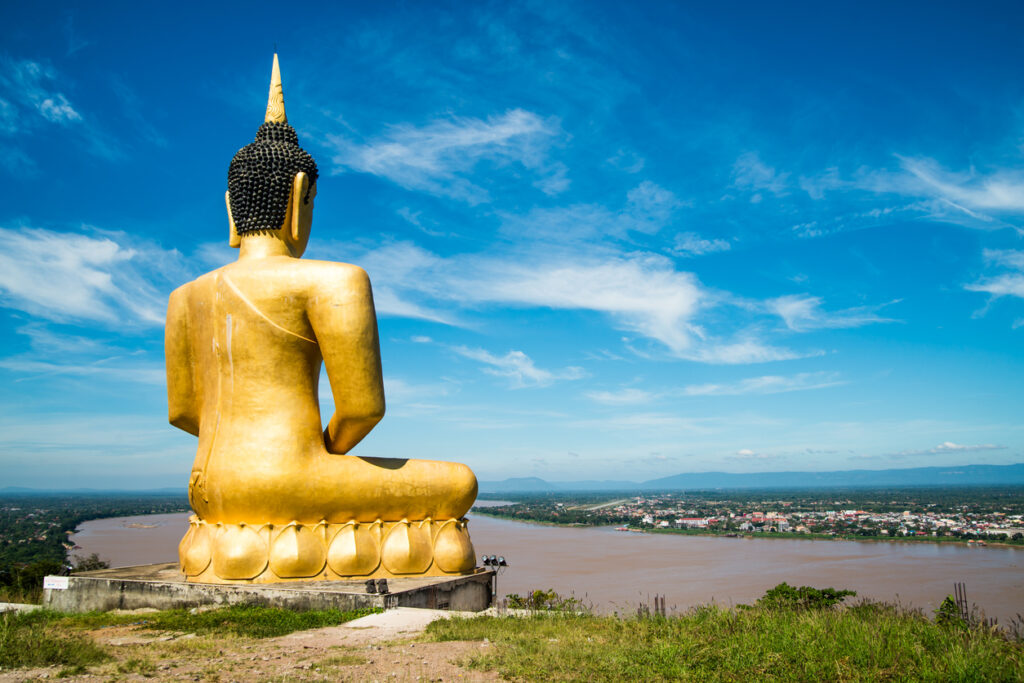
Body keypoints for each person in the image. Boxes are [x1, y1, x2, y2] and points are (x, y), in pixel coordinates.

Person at [166, 56, 476, 582]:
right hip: (291, 480)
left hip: (208, 487)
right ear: (298, 197)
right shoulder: (332, 281)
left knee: (233, 518)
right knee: (459, 483)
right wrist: (320, 453)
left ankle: (224, 542)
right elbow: (361, 410)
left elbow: (182, 413)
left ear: (230, 211)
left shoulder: (185, 297)